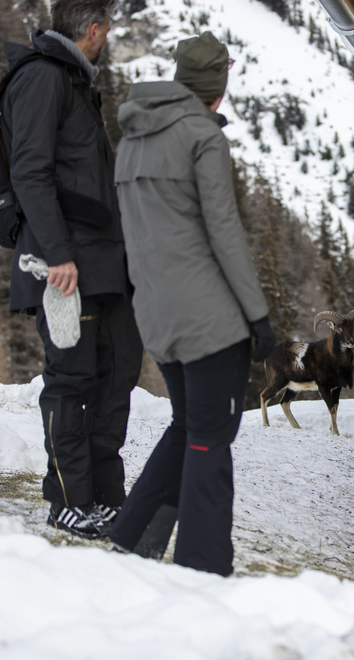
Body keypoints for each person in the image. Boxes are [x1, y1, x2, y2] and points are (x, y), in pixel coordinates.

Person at [109, 31, 276, 576]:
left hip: (156, 313)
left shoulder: (133, 135)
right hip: (209, 318)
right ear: (217, 87)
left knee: (188, 426)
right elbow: (223, 232)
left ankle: (133, 541)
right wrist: (257, 315)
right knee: (210, 437)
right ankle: (203, 571)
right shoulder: (203, 137)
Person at [1, 0, 143, 539]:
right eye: (107, 29)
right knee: (72, 378)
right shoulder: (43, 77)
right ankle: (67, 499)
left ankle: (105, 497)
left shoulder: (77, 82)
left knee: (116, 374)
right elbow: (30, 171)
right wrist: (58, 253)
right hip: (61, 266)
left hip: (103, 264)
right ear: (95, 29)